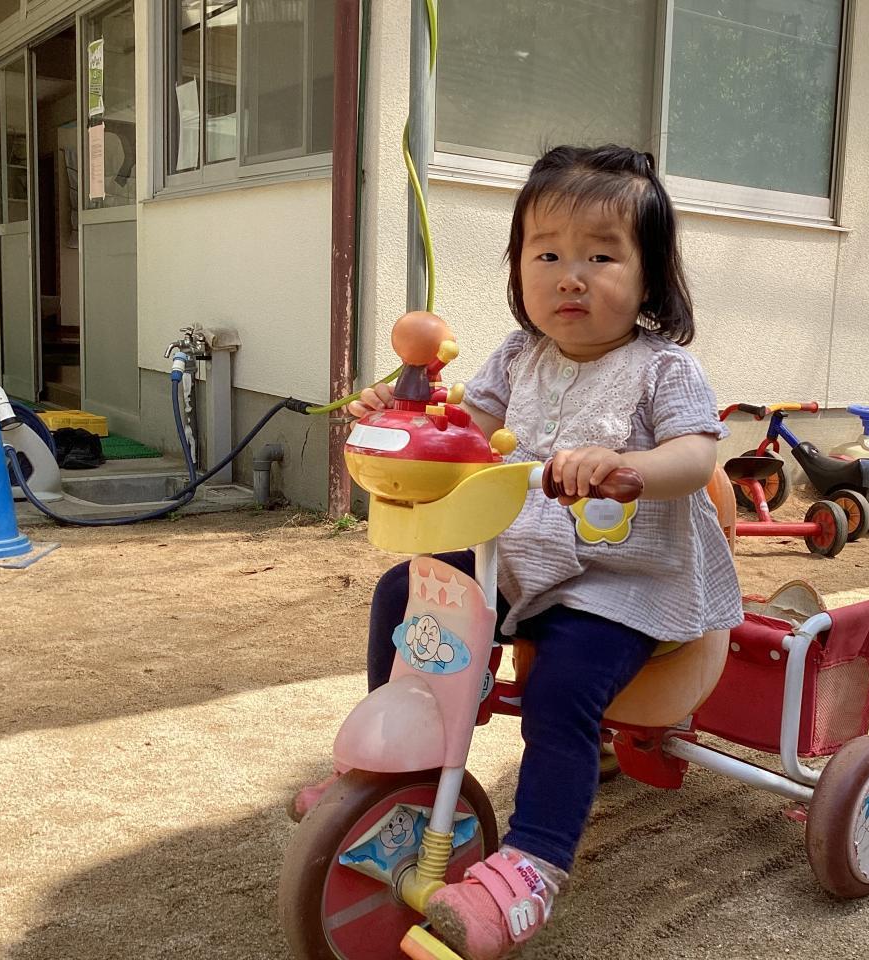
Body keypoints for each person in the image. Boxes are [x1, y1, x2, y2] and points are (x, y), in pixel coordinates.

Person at [315, 144, 741, 960]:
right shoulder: (517, 357)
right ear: (518, 268)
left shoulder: (663, 368)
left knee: (561, 692)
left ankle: (533, 867)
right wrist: (403, 413)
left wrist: (630, 467)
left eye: (601, 256)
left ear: (650, 277)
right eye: (547, 254)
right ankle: (400, 772)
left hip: (621, 585)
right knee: (405, 592)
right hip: (517, 565)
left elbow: (696, 458)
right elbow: (462, 435)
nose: (570, 277)